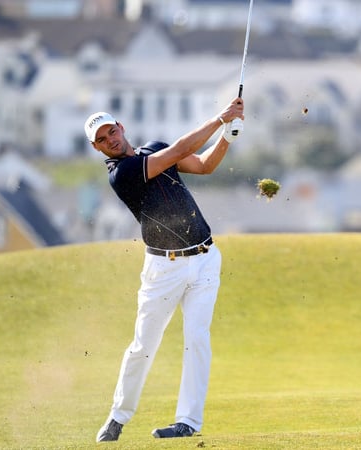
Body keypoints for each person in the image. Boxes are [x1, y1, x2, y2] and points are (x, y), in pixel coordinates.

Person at [87, 96, 245, 442]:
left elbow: (204, 166)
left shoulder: (153, 149)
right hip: (163, 269)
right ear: (98, 149)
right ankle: (118, 417)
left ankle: (187, 422)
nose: (110, 139)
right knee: (143, 344)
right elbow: (174, 153)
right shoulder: (122, 174)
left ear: (121, 127)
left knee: (197, 340)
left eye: (111, 131)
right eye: (101, 139)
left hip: (205, 258)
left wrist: (228, 137)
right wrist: (220, 118)